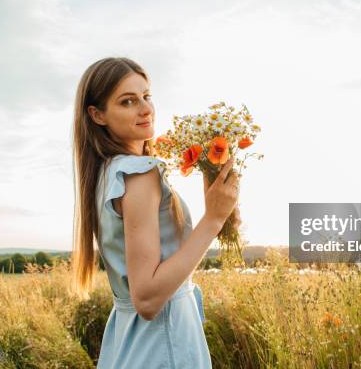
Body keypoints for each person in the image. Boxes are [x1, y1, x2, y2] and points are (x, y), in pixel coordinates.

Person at [70, 57, 241, 368]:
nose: (145, 108)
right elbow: (147, 298)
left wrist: (219, 211)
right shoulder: (139, 174)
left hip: (130, 341)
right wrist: (213, 220)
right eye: (128, 101)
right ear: (97, 115)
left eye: (146, 96)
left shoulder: (108, 174)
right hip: (160, 345)